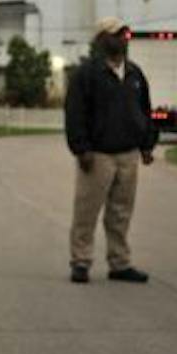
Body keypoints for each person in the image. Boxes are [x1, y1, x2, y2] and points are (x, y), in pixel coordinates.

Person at [63, 17, 156, 283]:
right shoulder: (87, 75)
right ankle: (80, 262)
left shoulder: (135, 74)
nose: (123, 39)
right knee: (86, 211)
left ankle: (120, 263)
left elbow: (144, 111)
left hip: (128, 154)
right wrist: (81, 148)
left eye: (125, 34)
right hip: (97, 155)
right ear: (103, 39)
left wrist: (147, 144)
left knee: (120, 213)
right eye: (117, 34)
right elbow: (75, 113)